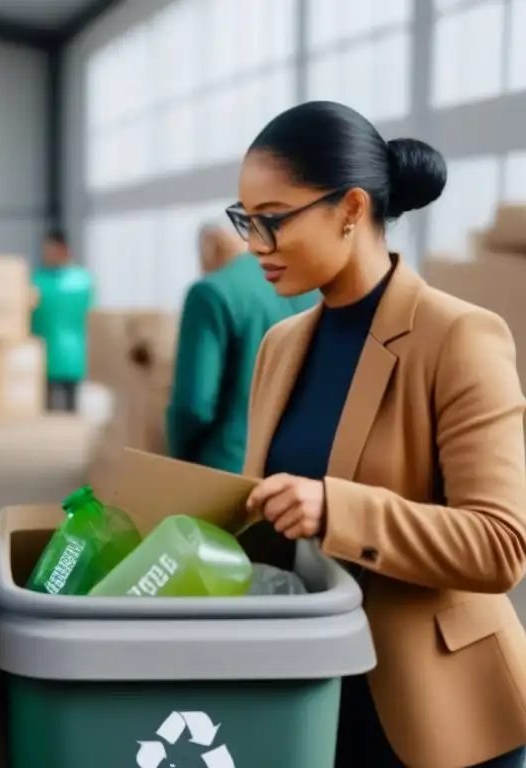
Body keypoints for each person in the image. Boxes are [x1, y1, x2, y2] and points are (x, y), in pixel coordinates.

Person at [233, 100, 526, 768]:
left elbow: (501, 544)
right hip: (316, 698)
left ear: (351, 209)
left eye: (273, 220)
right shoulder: (280, 347)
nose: (254, 244)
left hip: (441, 717)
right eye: (245, 220)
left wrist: (338, 508)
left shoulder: (457, 337)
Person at [165, 224, 316, 472]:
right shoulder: (310, 289)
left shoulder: (209, 293)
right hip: (298, 477)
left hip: (228, 469)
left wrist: (178, 459)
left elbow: (193, 405)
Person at [31, 229, 93, 412]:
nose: (47, 255)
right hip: (47, 356)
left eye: (50, 250)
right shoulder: (39, 280)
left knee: (70, 410)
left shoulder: (80, 282)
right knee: (47, 410)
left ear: (63, 250)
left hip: (71, 356)